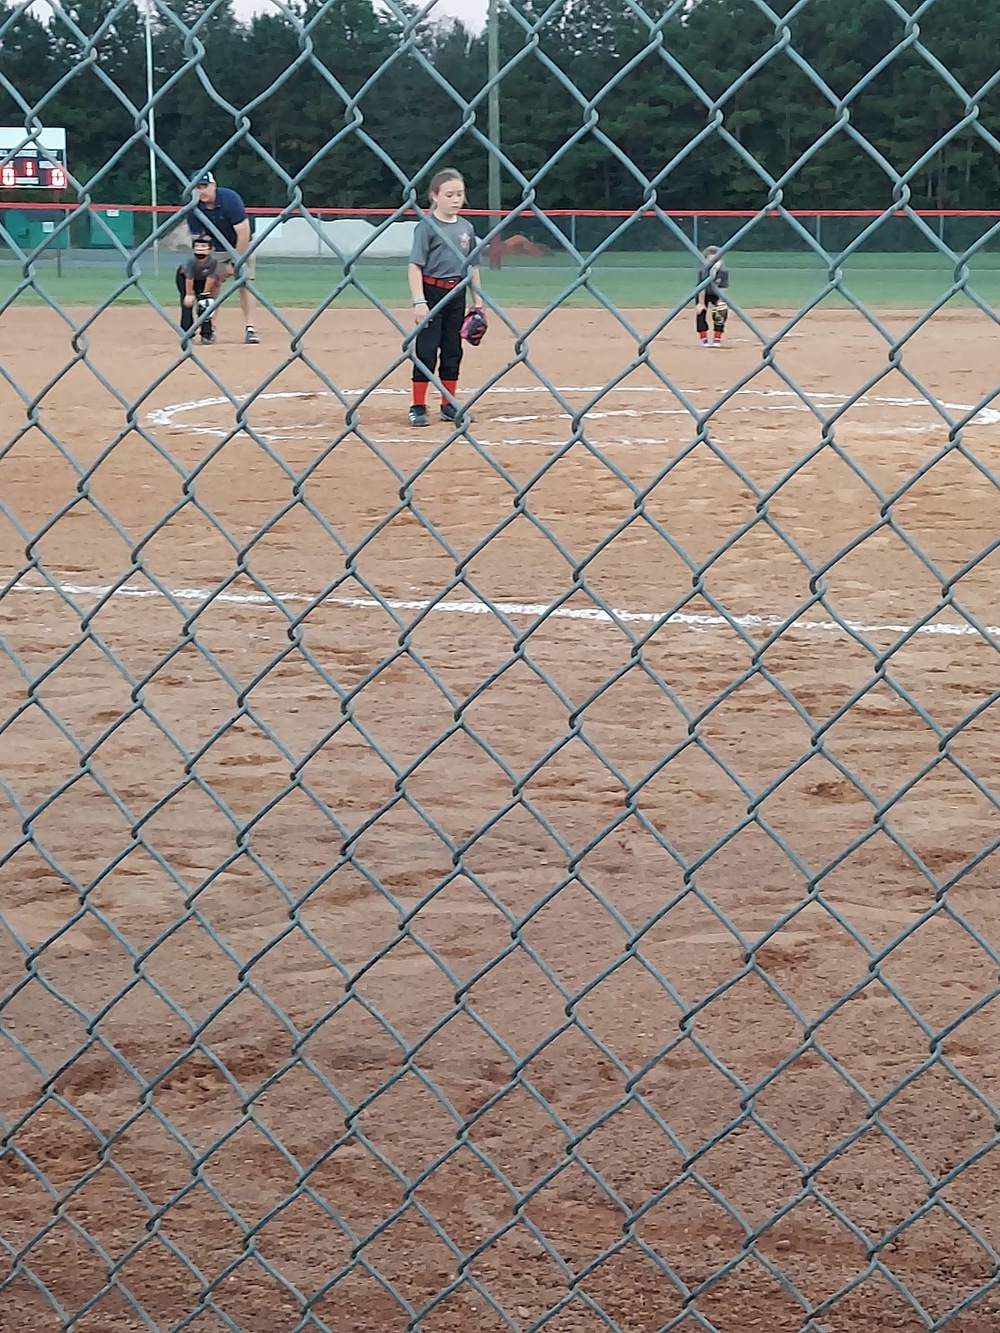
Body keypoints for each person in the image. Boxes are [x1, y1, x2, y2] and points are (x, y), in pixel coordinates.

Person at [407, 168, 480, 426]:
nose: (455, 199)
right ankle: (418, 406)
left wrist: (477, 302)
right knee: (426, 351)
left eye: (459, 194)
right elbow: (415, 266)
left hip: (457, 293)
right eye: (449, 194)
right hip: (431, 291)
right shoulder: (426, 227)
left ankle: (448, 405)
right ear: (434, 196)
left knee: (452, 350)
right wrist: (419, 301)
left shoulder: (466, 228)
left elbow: (472, 266)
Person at [187, 171, 259, 345]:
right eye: (197, 187)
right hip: (214, 249)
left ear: (214, 185)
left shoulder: (230, 199)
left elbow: (243, 232)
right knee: (211, 285)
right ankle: (209, 328)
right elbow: (200, 240)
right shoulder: (193, 207)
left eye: (204, 186)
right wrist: (208, 265)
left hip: (241, 246)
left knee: (245, 284)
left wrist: (236, 262)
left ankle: (250, 328)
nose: (201, 191)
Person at [174, 234, 221, 345]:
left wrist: (205, 294)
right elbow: (189, 278)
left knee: (205, 305)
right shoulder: (191, 262)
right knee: (187, 304)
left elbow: (211, 277)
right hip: (184, 278)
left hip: (202, 279)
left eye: (203, 247)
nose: (200, 249)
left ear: (210, 250)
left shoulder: (213, 262)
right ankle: (187, 333)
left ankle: (206, 334)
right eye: (197, 247)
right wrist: (189, 294)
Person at [696, 244, 729, 347]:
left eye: (716, 260)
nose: (713, 263)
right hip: (704, 294)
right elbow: (701, 288)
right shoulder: (703, 272)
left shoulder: (723, 272)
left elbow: (723, 288)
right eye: (710, 260)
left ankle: (717, 337)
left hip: (717, 294)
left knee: (721, 311)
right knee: (700, 313)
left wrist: (720, 302)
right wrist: (701, 304)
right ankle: (703, 338)